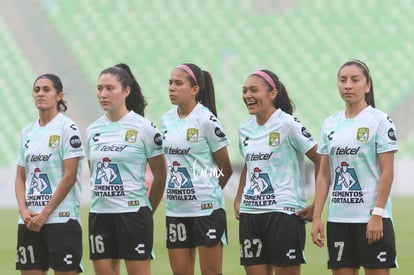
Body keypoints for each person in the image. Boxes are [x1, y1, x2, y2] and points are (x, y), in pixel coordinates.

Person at [311, 60, 398, 275]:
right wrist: (316, 216)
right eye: (343, 80)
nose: (347, 85)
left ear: (368, 86)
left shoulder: (380, 121)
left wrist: (377, 214)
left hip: (372, 219)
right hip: (338, 220)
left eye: (355, 80)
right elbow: (324, 174)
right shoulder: (330, 124)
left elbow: (387, 172)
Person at [234, 69, 320, 275]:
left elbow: (321, 159)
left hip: (284, 213)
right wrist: (239, 199)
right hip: (251, 213)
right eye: (245, 91)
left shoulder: (287, 123)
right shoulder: (244, 128)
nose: (247, 95)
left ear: (272, 93)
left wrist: (317, 204)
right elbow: (250, 162)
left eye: (254, 90)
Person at [86, 64, 167, 275]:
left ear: (126, 91)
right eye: (99, 88)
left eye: (109, 88)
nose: (103, 94)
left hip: (133, 214)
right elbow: (94, 171)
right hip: (100, 215)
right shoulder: (92, 130)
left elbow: (161, 174)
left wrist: (148, 210)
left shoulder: (144, 128)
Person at [161, 63, 233, 275]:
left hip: (206, 209)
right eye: (170, 83)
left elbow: (225, 168)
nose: (171, 88)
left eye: (178, 83)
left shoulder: (206, 119)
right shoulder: (166, 119)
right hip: (176, 209)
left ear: (195, 89)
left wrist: (206, 190)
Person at [15, 74, 84, 274]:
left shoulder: (67, 128)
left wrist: (45, 213)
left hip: (60, 219)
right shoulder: (27, 132)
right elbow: (20, 177)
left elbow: (69, 176)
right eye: (37, 90)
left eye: (46, 89)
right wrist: (23, 210)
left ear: (59, 95)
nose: (40, 94)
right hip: (29, 220)